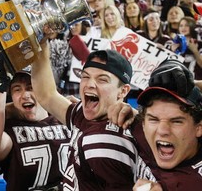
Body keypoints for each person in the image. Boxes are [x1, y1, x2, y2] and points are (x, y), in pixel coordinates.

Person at [31, 39, 138, 190]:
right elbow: (46, 95)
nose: (89, 84)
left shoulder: (107, 142)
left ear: (123, 91)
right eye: (85, 76)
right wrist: (40, 42)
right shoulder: (86, 113)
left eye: (102, 79)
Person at [109, 59, 202, 190]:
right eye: (154, 119)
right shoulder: (138, 128)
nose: (162, 131)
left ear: (199, 128)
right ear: (143, 122)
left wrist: (195, 84)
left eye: (176, 121)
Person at [0, 68, 71, 190]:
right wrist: (1, 86)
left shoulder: (66, 119)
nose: (25, 95)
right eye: (17, 89)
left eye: (31, 87)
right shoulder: (10, 128)